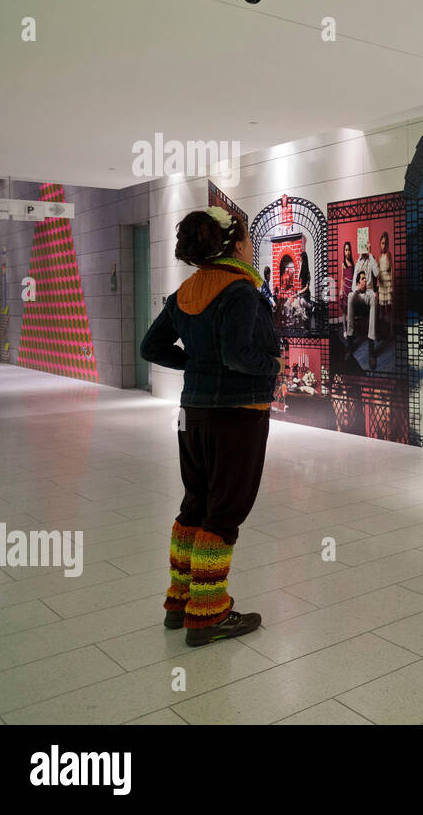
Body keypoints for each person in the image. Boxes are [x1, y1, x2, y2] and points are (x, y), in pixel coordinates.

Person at [140, 206, 283, 647]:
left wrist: (192, 365)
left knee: (196, 503)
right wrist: (273, 364)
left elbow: (151, 345)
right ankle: (208, 613)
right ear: (237, 244)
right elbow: (239, 355)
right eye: (247, 240)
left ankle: (180, 601)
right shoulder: (240, 290)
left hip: (192, 413)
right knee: (224, 512)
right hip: (237, 414)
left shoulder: (187, 289)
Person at [346, 243, 381, 352]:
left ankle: (371, 342)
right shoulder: (358, 263)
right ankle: (350, 339)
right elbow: (352, 287)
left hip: (369, 292)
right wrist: (358, 288)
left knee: (374, 297)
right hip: (359, 293)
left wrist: (370, 253)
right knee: (350, 295)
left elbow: (377, 272)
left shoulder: (371, 260)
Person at [377, 231, 394, 311]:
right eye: (382, 243)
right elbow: (377, 271)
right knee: (381, 305)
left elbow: (391, 270)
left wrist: (392, 284)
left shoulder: (389, 255)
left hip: (388, 282)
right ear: (380, 244)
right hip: (381, 282)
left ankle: (390, 323)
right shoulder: (379, 257)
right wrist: (377, 282)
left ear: (387, 245)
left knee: (389, 305)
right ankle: (383, 321)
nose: (383, 246)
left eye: (385, 244)